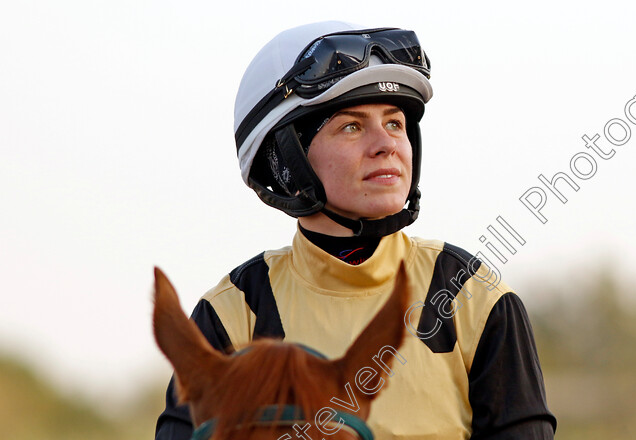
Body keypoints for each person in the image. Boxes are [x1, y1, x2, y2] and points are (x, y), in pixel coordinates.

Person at [155, 21, 556, 439]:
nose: (387, 145)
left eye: (395, 123)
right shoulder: (233, 312)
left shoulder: (474, 295)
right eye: (351, 126)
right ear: (285, 159)